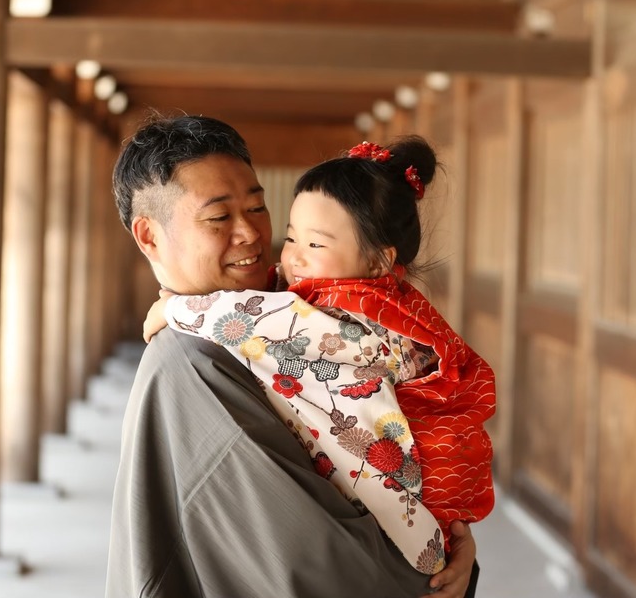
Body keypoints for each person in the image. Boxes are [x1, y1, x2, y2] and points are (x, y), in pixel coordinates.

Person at [106, 115, 477, 598]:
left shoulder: (311, 306)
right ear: (149, 236)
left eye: (258, 208)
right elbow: (308, 556)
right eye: (219, 217)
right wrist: (430, 578)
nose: (250, 233)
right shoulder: (190, 361)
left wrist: (454, 539)